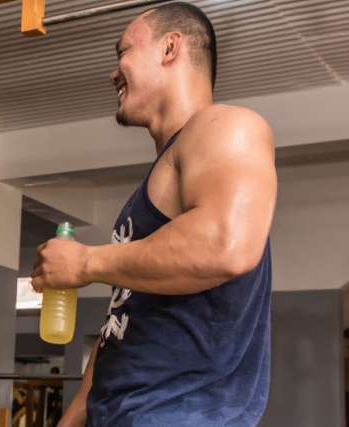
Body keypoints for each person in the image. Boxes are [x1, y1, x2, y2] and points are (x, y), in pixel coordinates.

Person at [31, 2, 276, 426]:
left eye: (121, 51)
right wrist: (71, 419)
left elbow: (225, 245)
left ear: (170, 48)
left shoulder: (228, 126)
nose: (113, 72)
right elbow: (122, 321)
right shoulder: (155, 183)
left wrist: (86, 262)